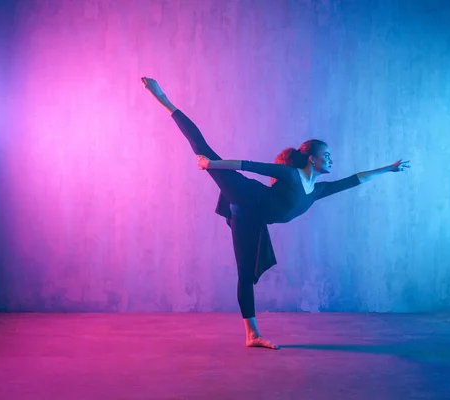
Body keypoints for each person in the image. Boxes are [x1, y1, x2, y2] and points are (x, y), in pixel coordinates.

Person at [141, 77, 410, 350]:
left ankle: (251, 335)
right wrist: (213, 164)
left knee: (245, 275)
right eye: (326, 155)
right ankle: (162, 98)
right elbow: (248, 165)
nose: (331, 159)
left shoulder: (316, 190)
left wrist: (388, 168)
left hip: (252, 219)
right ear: (312, 159)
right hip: (245, 195)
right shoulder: (290, 175)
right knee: (202, 147)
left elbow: (354, 180)